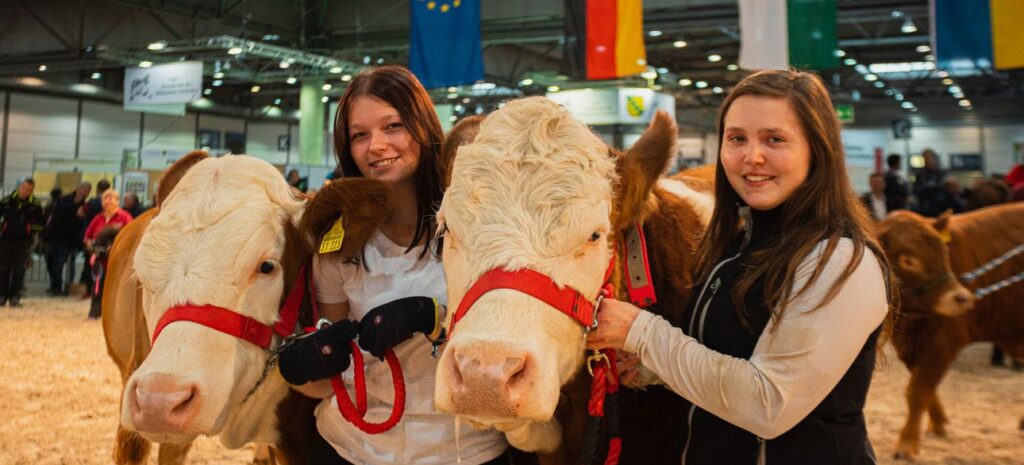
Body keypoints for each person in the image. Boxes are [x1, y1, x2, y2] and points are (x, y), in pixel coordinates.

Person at [587, 70, 896, 465]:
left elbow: (769, 405)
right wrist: (657, 368)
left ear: (818, 149)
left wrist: (643, 333)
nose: (752, 156)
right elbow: (731, 356)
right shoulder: (736, 246)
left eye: (775, 139)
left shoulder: (836, 261)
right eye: (737, 139)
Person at [276, 65, 508, 465]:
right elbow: (337, 373)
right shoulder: (338, 242)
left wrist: (433, 318)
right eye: (359, 135)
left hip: (464, 450)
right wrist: (301, 370)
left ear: (422, 125)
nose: (376, 146)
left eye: (393, 126)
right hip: (354, 447)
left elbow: (507, 338)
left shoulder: (477, 225)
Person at [82, 189, 132, 319]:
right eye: (105, 198)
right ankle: (94, 312)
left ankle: (116, 316)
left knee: (117, 288)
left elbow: (130, 237)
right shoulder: (97, 218)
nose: (108, 201)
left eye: (111, 199)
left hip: (118, 260)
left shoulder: (125, 217)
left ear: (117, 201)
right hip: (99, 260)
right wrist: (92, 250)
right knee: (97, 286)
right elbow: (87, 237)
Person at [0, 178, 44, 306]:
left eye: (29, 189)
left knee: (19, 270)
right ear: (18, 187)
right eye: (23, 188)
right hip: (5, 241)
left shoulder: (35, 205)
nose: (25, 191)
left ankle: (15, 297)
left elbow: (40, 223)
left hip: (24, 242)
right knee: (3, 269)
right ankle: (2, 296)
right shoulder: (6, 201)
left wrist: (32, 233)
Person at [45, 182, 90, 295]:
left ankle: (66, 287)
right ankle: (56, 286)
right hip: (58, 237)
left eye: (87, 190)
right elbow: (58, 214)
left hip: (73, 239)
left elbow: (83, 222)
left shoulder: (85, 205)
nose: (85, 192)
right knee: (56, 263)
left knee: (69, 264)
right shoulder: (65, 200)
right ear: (78, 189)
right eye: (83, 189)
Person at [912, 149, 950, 216]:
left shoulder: (942, 173)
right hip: (925, 209)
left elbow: (945, 186)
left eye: (928, 158)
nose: (927, 161)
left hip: (941, 208)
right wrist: (935, 187)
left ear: (934, 158)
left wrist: (928, 188)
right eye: (924, 158)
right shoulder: (920, 174)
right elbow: (917, 190)